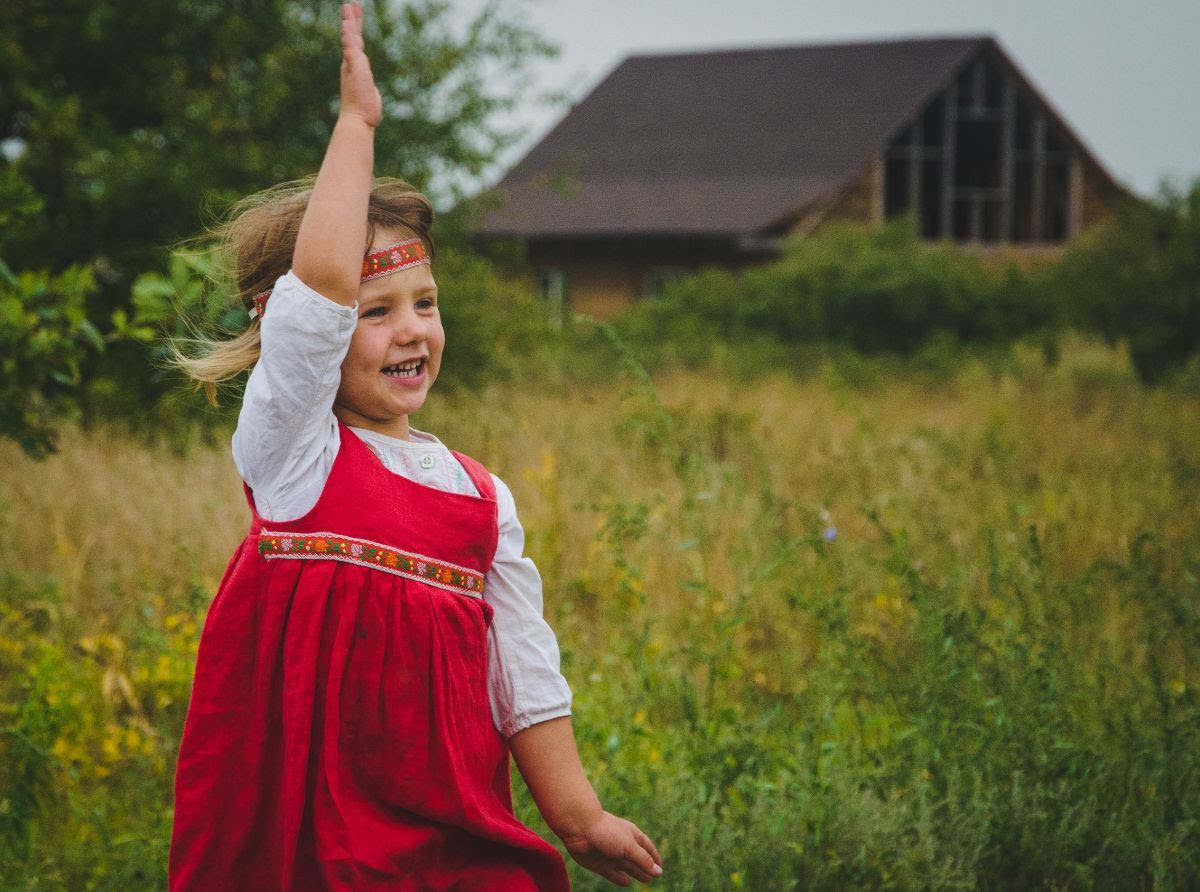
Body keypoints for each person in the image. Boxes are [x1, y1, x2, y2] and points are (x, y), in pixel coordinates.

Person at [168, 4, 663, 889]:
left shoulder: (482, 497)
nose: (412, 332)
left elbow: (523, 677)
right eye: (376, 312)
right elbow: (316, 294)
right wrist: (357, 127)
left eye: (425, 304)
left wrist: (578, 818)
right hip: (311, 831)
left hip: (449, 830)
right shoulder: (295, 457)